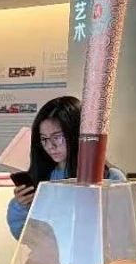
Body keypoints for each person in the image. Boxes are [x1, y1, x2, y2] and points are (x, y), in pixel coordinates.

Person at [7, 95, 126, 239]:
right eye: (44, 139)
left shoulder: (110, 177)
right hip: (47, 253)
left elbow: (123, 235)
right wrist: (20, 206)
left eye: (57, 137)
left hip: (93, 252)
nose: (50, 146)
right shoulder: (42, 177)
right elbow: (22, 236)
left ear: (76, 135)